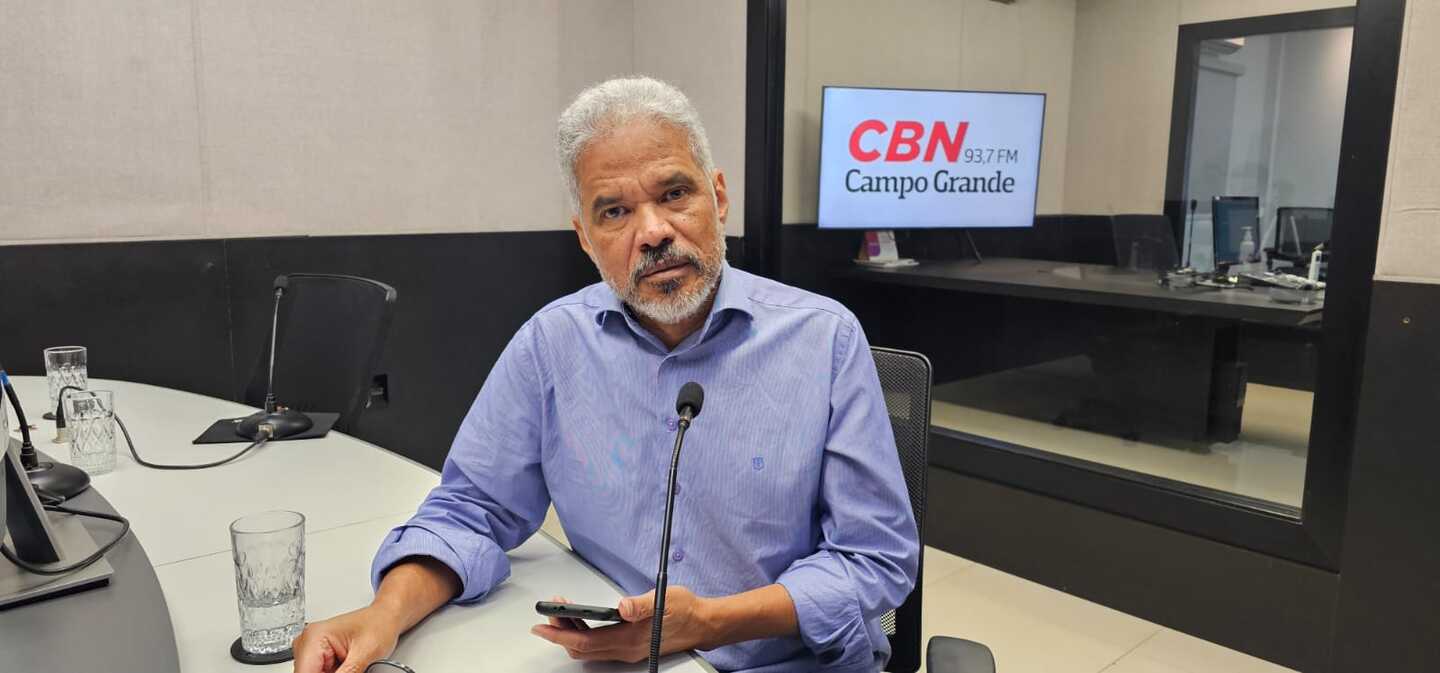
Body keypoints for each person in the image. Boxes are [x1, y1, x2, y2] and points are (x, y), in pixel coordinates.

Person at [293, 76, 919, 673]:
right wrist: (383, 615)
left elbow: (874, 558)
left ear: (718, 197)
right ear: (585, 238)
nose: (652, 232)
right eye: (615, 211)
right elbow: (470, 509)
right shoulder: (551, 343)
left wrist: (707, 622)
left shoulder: (824, 339)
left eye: (675, 194)